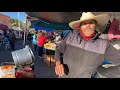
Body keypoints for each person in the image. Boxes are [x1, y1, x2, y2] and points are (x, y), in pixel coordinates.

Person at [54, 12, 120, 78]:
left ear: (96, 25)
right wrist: (58, 63)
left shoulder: (104, 45)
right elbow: (59, 49)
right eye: (84, 23)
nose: (88, 25)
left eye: (91, 22)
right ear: (80, 27)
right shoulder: (71, 37)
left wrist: (104, 72)